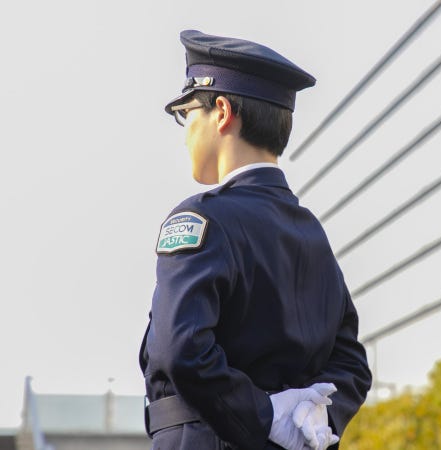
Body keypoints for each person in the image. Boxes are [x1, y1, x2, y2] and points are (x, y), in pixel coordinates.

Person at [139, 29, 372, 450]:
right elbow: (352, 361)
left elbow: (181, 349)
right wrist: (315, 415)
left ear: (221, 112)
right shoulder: (311, 233)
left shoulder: (202, 217)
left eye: (187, 113)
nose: (186, 132)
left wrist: (264, 415)